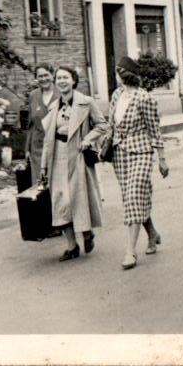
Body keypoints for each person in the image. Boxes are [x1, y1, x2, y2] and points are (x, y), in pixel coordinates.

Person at [103, 56, 169, 271]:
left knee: (133, 195)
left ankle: (130, 251)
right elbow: (111, 124)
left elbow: (154, 129)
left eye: (117, 71)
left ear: (123, 73)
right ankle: (152, 234)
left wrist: (162, 159)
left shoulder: (144, 98)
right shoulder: (116, 95)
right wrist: (105, 147)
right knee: (132, 198)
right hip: (120, 154)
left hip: (141, 152)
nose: (115, 75)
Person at [40, 66, 108, 261]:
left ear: (73, 80)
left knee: (78, 198)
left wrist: (87, 140)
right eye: (59, 78)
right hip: (57, 156)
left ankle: (87, 234)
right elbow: (47, 139)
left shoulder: (86, 102)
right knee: (61, 201)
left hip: (77, 154)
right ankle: (71, 245)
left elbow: (102, 125)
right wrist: (44, 166)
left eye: (65, 78)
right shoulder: (54, 107)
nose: (61, 81)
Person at [24, 63, 59, 185]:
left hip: (58, 145)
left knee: (57, 182)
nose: (43, 79)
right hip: (38, 147)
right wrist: (27, 149)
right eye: (40, 76)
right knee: (40, 184)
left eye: (46, 75)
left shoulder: (61, 93)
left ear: (53, 75)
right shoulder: (34, 95)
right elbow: (30, 124)